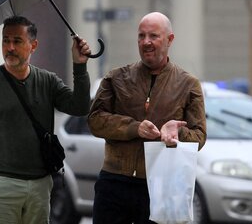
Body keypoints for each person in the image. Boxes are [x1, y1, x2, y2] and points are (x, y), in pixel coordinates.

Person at [0, 16, 92, 224]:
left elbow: (80, 107)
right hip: (0, 187)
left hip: (39, 188)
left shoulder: (47, 81)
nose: (10, 47)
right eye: (6, 40)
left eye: (17, 41)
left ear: (33, 45)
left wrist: (79, 65)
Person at [88, 12, 207, 224]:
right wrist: (134, 128)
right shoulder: (116, 78)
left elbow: (199, 137)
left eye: (153, 36)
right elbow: (95, 120)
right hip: (114, 182)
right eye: (141, 36)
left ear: (170, 40)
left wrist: (177, 133)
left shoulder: (189, 84)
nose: (146, 42)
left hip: (161, 185)